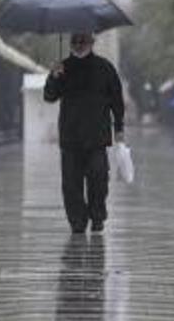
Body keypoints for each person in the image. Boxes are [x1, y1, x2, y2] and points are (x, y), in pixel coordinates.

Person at [43, 32, 125, 234]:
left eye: (83, 41)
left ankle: (97, 215)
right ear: (70, 43)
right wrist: (54, 77)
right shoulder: (62, 68)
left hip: (97, 137)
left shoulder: (105, 68)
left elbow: (117, 99)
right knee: (71, 184)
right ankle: (77, 222)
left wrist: (119, 128)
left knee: (99, 180)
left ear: (92, 42)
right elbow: (49, 96)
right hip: (70, 137)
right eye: (75, 42)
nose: (79, 45)